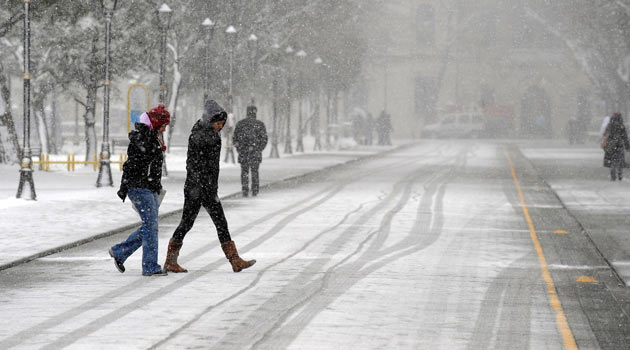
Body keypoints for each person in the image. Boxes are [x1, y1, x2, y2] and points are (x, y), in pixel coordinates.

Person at [163, 99, 256, 273]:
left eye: (222, 123)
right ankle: (170, 260)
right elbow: (195, 165)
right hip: (198, 188)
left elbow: (209, 166)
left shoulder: (208, 134)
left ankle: (234, 260)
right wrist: (202, 186)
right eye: (218, 123)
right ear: (210, 120)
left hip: (204, 188)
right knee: (190, 223)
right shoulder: (202, 136)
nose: (220, 126)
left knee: (215, 222)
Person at [109, 103, 170, 276]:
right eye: (163, 126)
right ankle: (149, 266)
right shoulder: (143, 139)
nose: (164, 130)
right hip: (139, 187)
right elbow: (133, 165)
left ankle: (120, 252)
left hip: (147, 187)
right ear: (157, 124)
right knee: (151, 226)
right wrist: (131, 185)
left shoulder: (151, 138)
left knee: (150, 226)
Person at [233, 105, 268, 197]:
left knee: (244, 172)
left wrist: (239, 148)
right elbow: (264, 139)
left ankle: (245, 189)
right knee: (255, 171)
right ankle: (255, 190)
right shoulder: (260, 124)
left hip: (243, 152)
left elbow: (235, 138)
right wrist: (258, 149)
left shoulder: (240, 124)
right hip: (255, 153)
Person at [602, 112, 630, 181]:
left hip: (611, 145)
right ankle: (620, 174)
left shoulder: (610, 125)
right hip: (620, 145)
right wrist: (627, 146)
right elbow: (625, 137)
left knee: (612, 161)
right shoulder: (621, 125)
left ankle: (613, 175)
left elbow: (605, 134)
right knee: (620, 160)